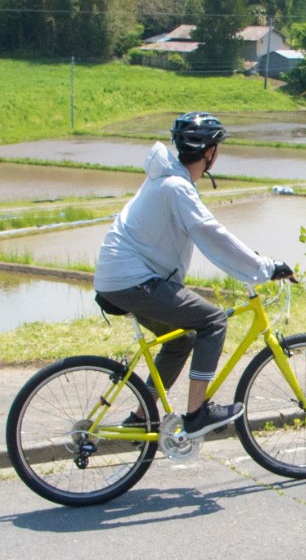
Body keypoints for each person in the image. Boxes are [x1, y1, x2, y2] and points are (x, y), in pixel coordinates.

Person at [94, 113, 295, 436]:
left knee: (183, 338)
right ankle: (197, 413)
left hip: (120, 279)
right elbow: (210, 234)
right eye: (217, 147)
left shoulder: (167, 180)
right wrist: (265, 268)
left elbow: (211, 237)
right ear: (209, 153)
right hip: (131, 280)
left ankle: (142, 414)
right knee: (213, 321)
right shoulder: (177, 188)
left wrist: (254, 260)